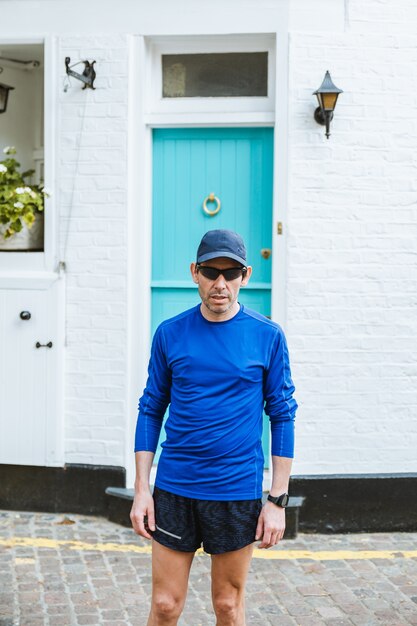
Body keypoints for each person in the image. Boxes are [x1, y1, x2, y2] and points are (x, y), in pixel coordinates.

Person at [131, 229, 297, 626]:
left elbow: (283, 414)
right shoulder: (170, 333)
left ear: (246, 275)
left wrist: (277, 500)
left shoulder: (267, 336)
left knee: (227, 605)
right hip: (175, 488)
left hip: (235, 490)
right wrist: (142, 490)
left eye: (231, 273)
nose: (220, 284)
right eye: (210, 272)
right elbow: (151, 407)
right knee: (166, 605)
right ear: (195, 272)